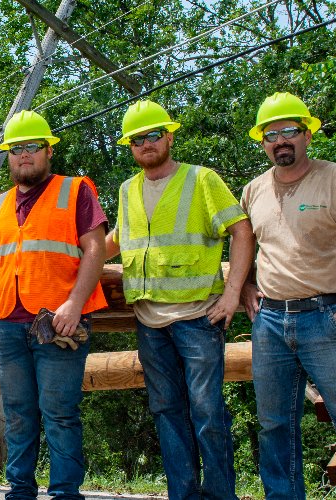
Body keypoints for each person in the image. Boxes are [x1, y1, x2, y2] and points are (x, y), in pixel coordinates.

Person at [238, 93, 336, 499]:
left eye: (289, 130)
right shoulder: (253, 190)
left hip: (327, 317)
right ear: (263, 142)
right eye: (271, 135)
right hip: (270, 321)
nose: (280, 141)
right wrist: (245, 285)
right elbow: (242, 241)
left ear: (307, 134)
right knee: (273, 425)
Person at [101, 100, 252, 500]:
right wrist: (78, 265)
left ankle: (220, 495)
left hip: (199, 316)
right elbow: (119, 240)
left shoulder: (201, 179)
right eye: (137, 139)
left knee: (207, 411)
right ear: (130, 146)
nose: (146, 143)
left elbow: (241, 231)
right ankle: (182, 495)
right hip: (149, 320)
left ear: (169, 137)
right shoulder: (128, 189)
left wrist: (232, 294)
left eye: (153, 135)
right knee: (167, 411)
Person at [0, 111, 108, 500]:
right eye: (16, 148)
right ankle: (20, 492)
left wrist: (74, 305)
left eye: (33, 146)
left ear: (49, 151)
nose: (24, 155)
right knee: (18, 413)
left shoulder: (75, 190)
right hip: (7, 324)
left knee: (60, 413)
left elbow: (95, 248)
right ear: (9, 156)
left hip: (58, 323)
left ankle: (65, 493)